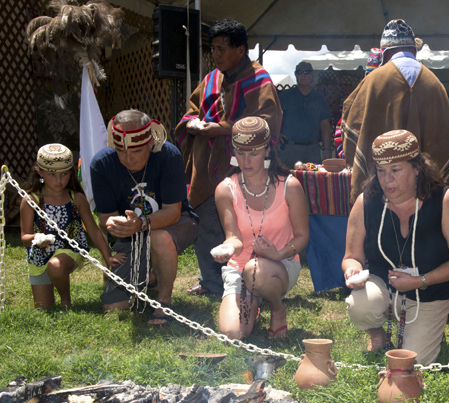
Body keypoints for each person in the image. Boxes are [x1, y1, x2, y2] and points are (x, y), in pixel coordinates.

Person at [342, 129, 449, 366]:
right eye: (380, 171)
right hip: (386, 287)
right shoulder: (366, 202)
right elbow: (352, 256)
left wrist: (421, 280)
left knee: (412, 363)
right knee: (360, 304)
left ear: (417, 168)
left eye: (395, 170)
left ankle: (431, 327)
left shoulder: (444, 200)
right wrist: (352, 270)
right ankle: (378, 334)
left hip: (431, 292)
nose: (386, 180)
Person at [176, 19, 282, 298]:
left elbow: (267, 123)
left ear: (241, 50)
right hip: (207, 168)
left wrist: (222, 128)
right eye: (213, 49)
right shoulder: (211, 78)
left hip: (245, 170)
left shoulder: (260, 80)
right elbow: (192, 108)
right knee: (207, 222)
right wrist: (192, 123)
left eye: (222, 49)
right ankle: (212, 282)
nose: (216, 55)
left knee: (243, 229)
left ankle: (248, 281)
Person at [91, 110, 198, 325]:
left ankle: (163, 300)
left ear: (151, 142)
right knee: (114, 308)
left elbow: (172, 212)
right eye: (120, 151)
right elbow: (105, 217)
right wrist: (114, 224)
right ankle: (150, 276)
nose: (128, 158)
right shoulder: (101, 164)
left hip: (175, 224)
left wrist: (140, 224)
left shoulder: (169, 156)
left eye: (137, 151)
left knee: (158, 237)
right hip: (130, 233)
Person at [342, 19, 449, 203]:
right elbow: (445, 146)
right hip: (427, 199)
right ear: (413, 50)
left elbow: (353, 131)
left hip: (382, 195)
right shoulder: (435, 84)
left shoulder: (374, 81)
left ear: (384, 52)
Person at [212, 117, 309, 340]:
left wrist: (278, 253)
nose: (246, 161)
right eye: (240, 153)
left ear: (267, 151)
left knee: (256, 271)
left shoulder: (290, 186)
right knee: (232, 334)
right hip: (240, 266)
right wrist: (228, 249)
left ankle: (276, 307)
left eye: (253, 153)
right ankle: (254, 300)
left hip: (280, 265)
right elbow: (233, 237)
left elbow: (303, 236)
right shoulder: (225, 189)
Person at [20, 144, 123, 309]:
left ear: (71, 172)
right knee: (43, 309)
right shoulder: (30, 200)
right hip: (38, 256)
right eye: (52, 175)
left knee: (56, 266)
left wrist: (107, 256)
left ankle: (66, 300)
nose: (59, 180)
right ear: (40, 172)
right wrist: (36, 238)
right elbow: (24, 237)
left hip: (70, 249)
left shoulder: (76, 198)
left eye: (64, 174)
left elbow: (93, 230)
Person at [278, 62, 333, 167]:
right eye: (300, 72)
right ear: (295, 75)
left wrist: (326, 148)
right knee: (287, 180)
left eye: (307, 72)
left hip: (313, 149)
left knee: (314, 180)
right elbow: (274, 117)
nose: (303, 75)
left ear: (312, 75)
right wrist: (277, 134)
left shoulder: (319, 97)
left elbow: (325, 124)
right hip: (289, 148)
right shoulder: (285, 96)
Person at [334, 48, 382, 159]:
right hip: (360, 162)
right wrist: (347, 156)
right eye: (370, 75)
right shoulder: (355, 101)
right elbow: (340, 131)